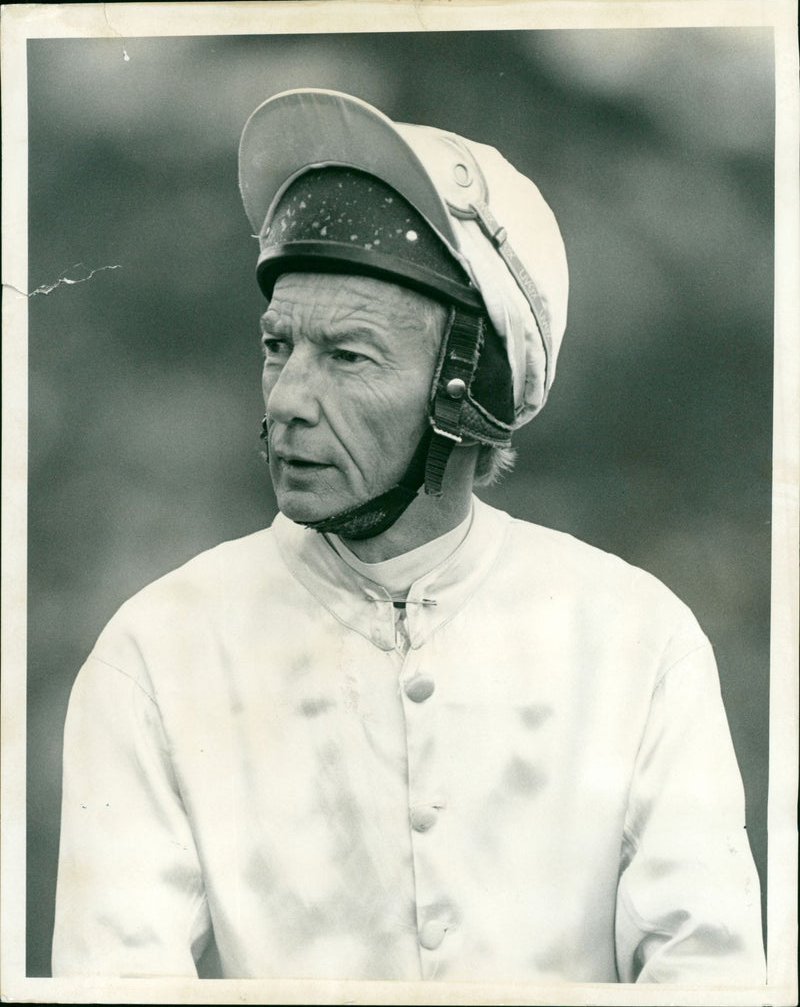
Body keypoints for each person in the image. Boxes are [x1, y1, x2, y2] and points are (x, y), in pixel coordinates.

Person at [52, 88, 766, 983]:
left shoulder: (639, 641)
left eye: (346, 356)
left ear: (470, 389)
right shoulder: (154, 653)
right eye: (279, 347)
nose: (286, 400)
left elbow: (713, 978)